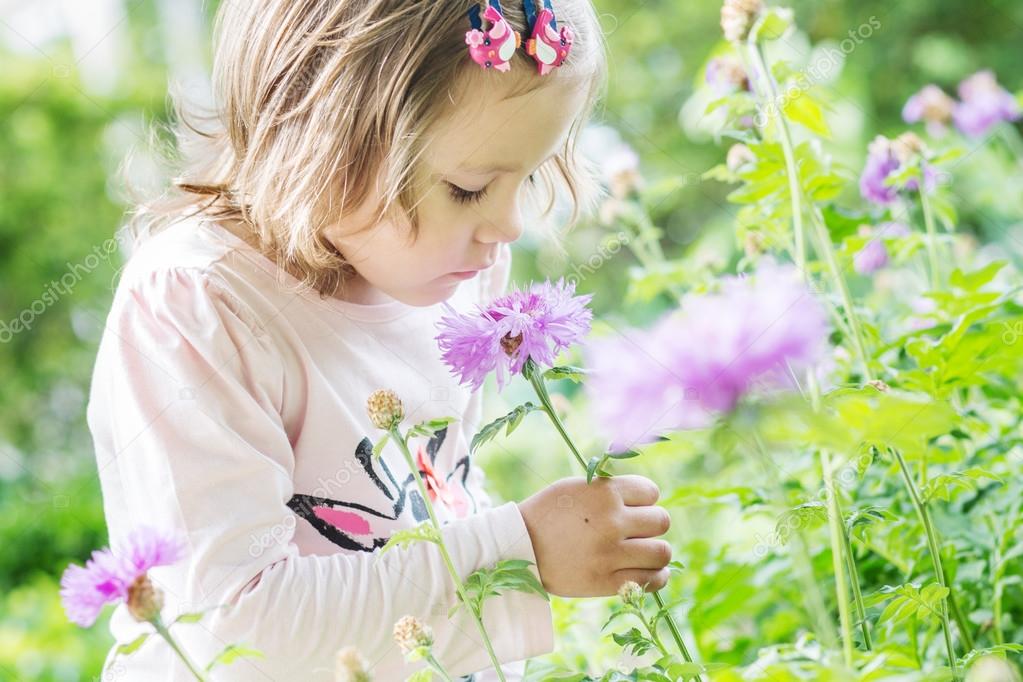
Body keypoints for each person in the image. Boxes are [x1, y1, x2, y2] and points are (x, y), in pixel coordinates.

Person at [86, 1, 673, 679]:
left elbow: (436, 501)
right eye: (468, 188)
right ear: (321, 136)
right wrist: (520, 552)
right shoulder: (199, 304)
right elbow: (236, 630)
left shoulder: (449, 272)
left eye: (531, 175)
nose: (508, 225)